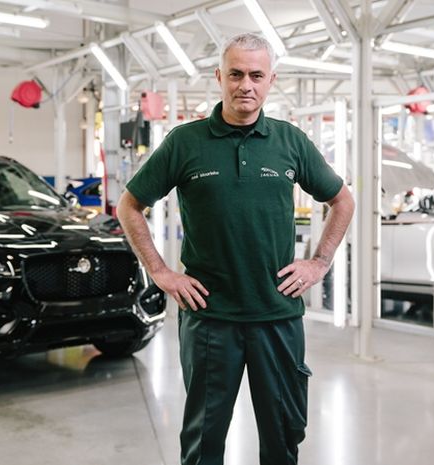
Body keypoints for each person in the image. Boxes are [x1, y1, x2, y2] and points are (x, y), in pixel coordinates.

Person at [117, 33, 355, 465]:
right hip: (210, 320)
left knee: (283, 438)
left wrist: (319, 262)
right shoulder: (185, 142)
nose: (246, 84)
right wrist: (161, 271)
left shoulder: (290, 141)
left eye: (256, 75)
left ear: (271, 81)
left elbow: (342, 200)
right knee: (203, 443)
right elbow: (130, 205)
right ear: (219, 77)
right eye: (236, 74)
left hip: (277, 316)